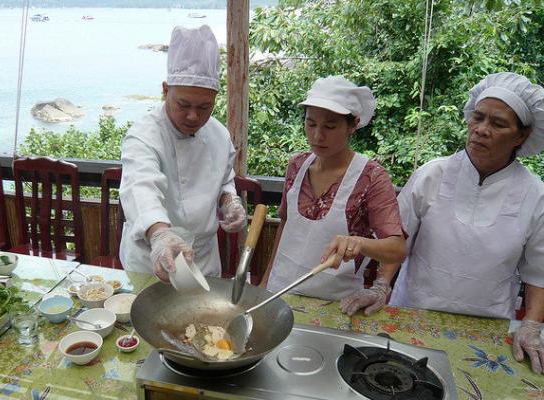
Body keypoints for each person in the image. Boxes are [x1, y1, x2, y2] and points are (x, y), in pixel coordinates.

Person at [330, 72, 544, 374]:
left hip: (487, 329)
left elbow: (539, 270)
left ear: (521, 136)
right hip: (414, 316)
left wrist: (531, 326)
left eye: (498, 124)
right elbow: (397, 239)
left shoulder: (535, 194)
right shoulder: (432, 175)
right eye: (478, 118)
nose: (481, 130)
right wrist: (381, 287)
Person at [260, 76, 406, 304]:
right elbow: (285, 225)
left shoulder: (371, 178)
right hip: (279, 294)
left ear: (353, 125)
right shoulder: (297, 165)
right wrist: (265, 282)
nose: (318, 136)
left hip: (334, 305)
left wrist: (361, 243)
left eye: (330, 126)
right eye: (311, 124)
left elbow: (397, 249)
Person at [119, 25, 246, 282]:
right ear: (166, 90)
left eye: (204, 107)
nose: (193, 116)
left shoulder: (219, 135)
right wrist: (160, 235)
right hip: (152, 260)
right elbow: (140, 187)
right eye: (183, 104)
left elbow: (224, 180)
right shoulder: (144, 135)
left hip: (203, 258)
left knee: (205, 322)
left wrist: (229, 201)